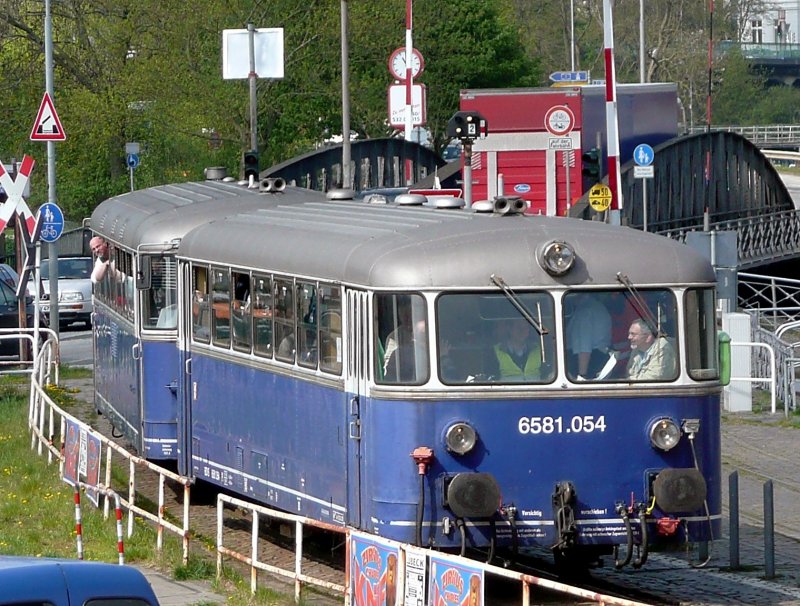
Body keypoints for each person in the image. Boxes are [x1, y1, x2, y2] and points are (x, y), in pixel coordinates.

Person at [566, 295, 612, 380]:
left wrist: (582, 376)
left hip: (588, 364)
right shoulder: (598, 307)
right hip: (600, 357)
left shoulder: (585, 311)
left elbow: (584, 347)